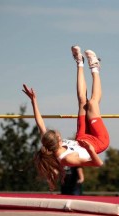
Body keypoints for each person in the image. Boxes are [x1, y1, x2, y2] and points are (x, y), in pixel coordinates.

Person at [22, 45, 110, 190]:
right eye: (57, 134)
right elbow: (98, 163)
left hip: (82, 137)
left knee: (83, 101)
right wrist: (91, 149)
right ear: (57, 140)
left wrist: (33, 100)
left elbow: (39, 123)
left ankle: (79, 61)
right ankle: (95, 67)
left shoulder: (49, 143)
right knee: (92, 103)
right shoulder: (67, 159)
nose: (58, 132)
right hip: (98, 142)